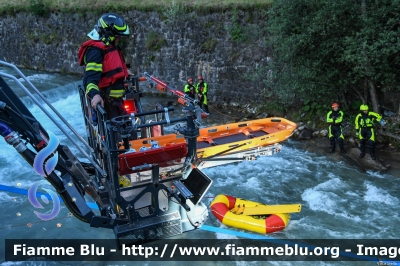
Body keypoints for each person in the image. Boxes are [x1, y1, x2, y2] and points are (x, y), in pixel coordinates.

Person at [78, 13, 131, 122]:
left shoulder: (109, 47)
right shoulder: (95, 52)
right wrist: (95, 95)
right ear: (108, 35)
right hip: (107, 105)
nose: (119, 39)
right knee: (124, 137)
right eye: (117, 37)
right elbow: (89, 80)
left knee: (130, 135)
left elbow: (109, 71)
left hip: (116, 103)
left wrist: (124, 74)